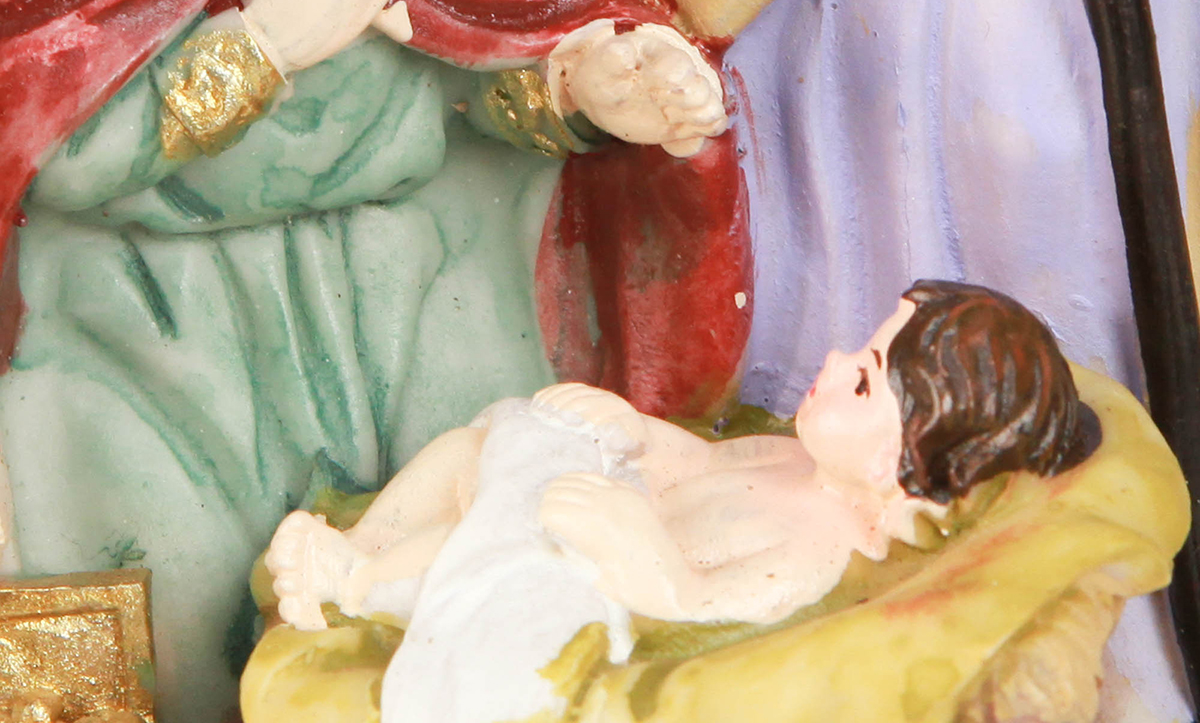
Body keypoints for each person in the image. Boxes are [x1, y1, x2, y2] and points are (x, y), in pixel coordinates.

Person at [0, 0, 749, 719]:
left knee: (456, 589)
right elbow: (44, 146)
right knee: (155, 619)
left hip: (410, 307)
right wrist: (260, 47)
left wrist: (582, 94)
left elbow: (490, 87)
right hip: (155, 327)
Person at [266, 279, 1096, 635]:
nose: (836, 360)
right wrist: (633, 428)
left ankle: (353, 586)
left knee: (500, 549)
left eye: (863, 380)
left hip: (584, 581)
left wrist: (644, 557)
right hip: (597, 505)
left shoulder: (816, 552)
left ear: (896, 461)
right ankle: (363, 543)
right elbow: (699, 466)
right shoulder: (790, 460)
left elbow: (701, 609)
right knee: (473, 451)